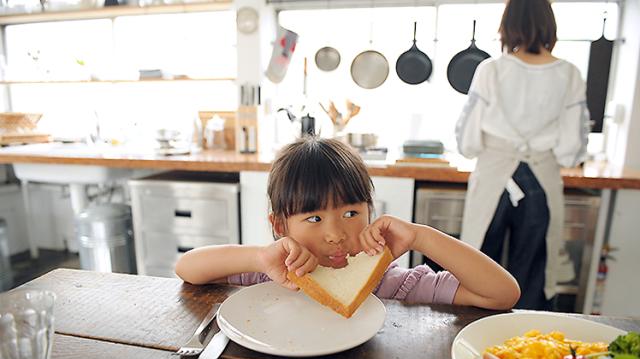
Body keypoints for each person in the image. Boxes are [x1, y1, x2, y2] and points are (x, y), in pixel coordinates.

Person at [176, 137, 520, 310]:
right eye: (313, 217)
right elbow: (187, 268)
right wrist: (257, 257)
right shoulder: (268, 273)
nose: (336, 234)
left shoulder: (389, 282)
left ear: (371, 211)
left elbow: (502, 294)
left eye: (351, 214)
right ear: (279, 225)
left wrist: (421, 237)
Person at [455, 0, 589, 310]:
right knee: (532, 273)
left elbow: (468, 140)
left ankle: (470, 337)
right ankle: (527, 345)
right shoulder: (569, 73)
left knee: (478, 269)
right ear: (549, 25)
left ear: (508, 25)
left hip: (494, 177)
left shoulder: (490, 69)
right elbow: (572, 149)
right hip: (540, 179)